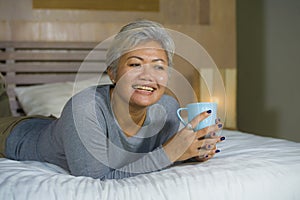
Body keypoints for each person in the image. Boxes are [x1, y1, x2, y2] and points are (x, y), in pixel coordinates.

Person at [0, 20, 224, 180]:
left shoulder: (168, 108)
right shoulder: (84, 109)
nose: (148, 76)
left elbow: (158, 156)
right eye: (135, 64)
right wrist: (171, 153)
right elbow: (94, 180)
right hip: (14, 134)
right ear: (113, 73)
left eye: (158, 66)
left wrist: (192, 151)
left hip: (54, 125)